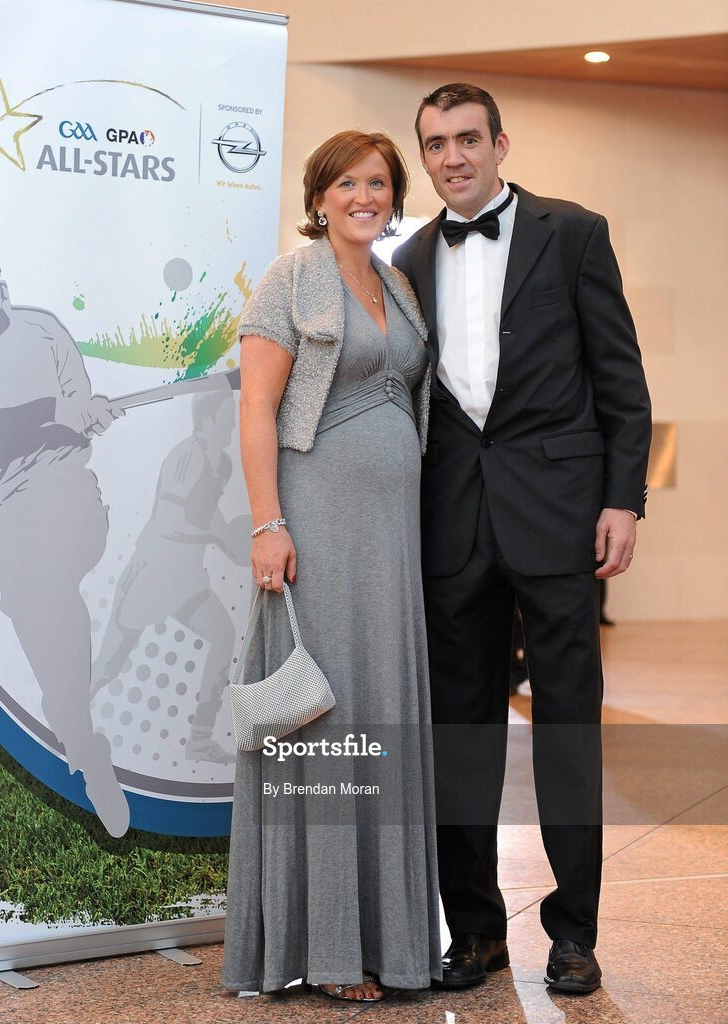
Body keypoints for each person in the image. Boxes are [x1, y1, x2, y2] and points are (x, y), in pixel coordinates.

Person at [392, 84, 651, 994]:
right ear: (424, 157)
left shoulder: (572, 232)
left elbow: (621, 381)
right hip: (453, 523)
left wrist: (623, 501)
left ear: (501, 144)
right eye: (436, 144)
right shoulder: (408, 257)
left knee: (568, 728)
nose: (453, 157)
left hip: (559, 517)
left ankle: (574, 934)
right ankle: (474, 931)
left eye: (468, 139)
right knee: (459, 733)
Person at [220, 131, 441, 1001]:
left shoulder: (397, 283)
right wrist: (268, 522)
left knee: (383, 705)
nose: (364, 196)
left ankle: (393, 940)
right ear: (319, 197)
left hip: (393, 534)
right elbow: (256, 411)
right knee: (328, 712)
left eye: (378, 183)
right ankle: (330, 948)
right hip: (316, 520)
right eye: (347, 182)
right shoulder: (290, 279)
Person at [0, 216, 130, 837]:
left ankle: (75, 732)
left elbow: (75, 410)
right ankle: (79, 738)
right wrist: (56, 413)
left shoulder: (43, 330)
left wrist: (81, 415)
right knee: (36, 600)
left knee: (44, 583)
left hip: (69, 495)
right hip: (4, 515)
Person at [92, 385, 249, 765]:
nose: (231, 424)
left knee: (224, 634)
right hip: (152, 573)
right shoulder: (185, 458)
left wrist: (231, 542)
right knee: (110, 665)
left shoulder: (222, 464)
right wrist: (219, 537)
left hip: (187, 580)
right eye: (225, 417)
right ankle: (69, 722)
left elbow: (207, 513)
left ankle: (199, 740)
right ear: (206, 419)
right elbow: (169, 522)